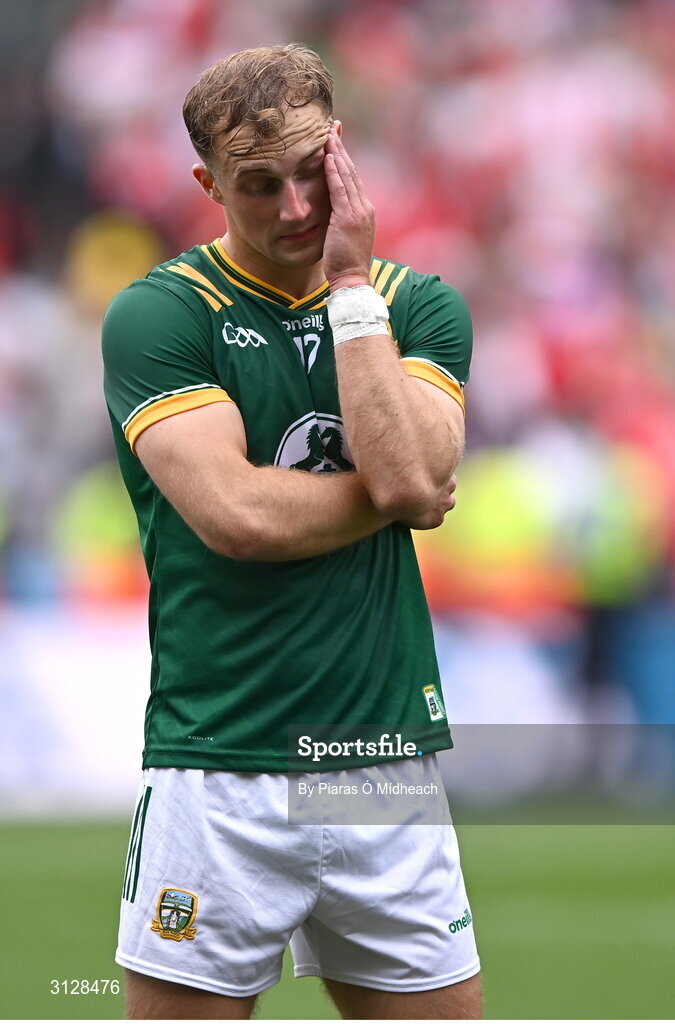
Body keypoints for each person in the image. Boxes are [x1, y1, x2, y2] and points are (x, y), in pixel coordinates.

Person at [103, 43, 481, 1020]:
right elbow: (235, 515)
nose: (297, 209)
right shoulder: (159, 316)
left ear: (343, 151)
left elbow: (411, 474)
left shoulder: (417, 303)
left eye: (314, 172)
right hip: (218, 766)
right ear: (208, 184)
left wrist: (350, 288)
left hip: (379, 765)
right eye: (259, 185)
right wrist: (401, 489)